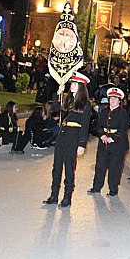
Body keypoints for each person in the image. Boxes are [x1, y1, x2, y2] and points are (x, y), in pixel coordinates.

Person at [43, 72, 92, 208]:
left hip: (74, 136)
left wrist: (82, 144)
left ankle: (66, 197)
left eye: (75, 84)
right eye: (72, 83)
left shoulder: (86, 105)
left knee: (69, 168)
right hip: (63, 134)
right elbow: (54, 109)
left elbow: (85, 126)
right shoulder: (68, 100)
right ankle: (54, 195)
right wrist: (58, 94)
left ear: (81, 87)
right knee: (56, 166)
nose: (72, 85)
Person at [88, 87, 130, 196]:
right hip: (103, 143)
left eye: (115, 98)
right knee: (100, 166)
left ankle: (113, 189)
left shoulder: (123, 113)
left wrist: (112, 138)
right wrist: (102, 136)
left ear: (119, 100)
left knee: (114, 167)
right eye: (111, 98)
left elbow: (123, 129)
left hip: (118, 145)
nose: (112, 100)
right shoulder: (104, 111)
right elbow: (99, 126)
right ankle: (96, 187)